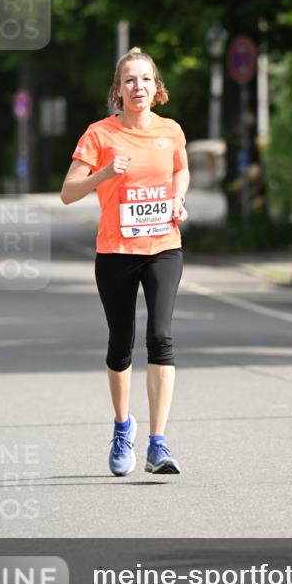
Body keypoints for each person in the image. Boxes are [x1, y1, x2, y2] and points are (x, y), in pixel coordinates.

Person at [60, 47, 189, 477]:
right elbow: (68, 193)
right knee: (121, 343)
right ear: (118, 90)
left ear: (157, 87)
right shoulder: (98, 135)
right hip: (116, 251)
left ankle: (158, 443)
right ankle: (122, 427)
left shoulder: (170, 130)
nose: (138, 87)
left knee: (161, 336)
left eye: (146, 79)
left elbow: (181, 170)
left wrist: (178, 198)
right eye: (130, 80)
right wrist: (103, 174)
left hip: (164, 245)